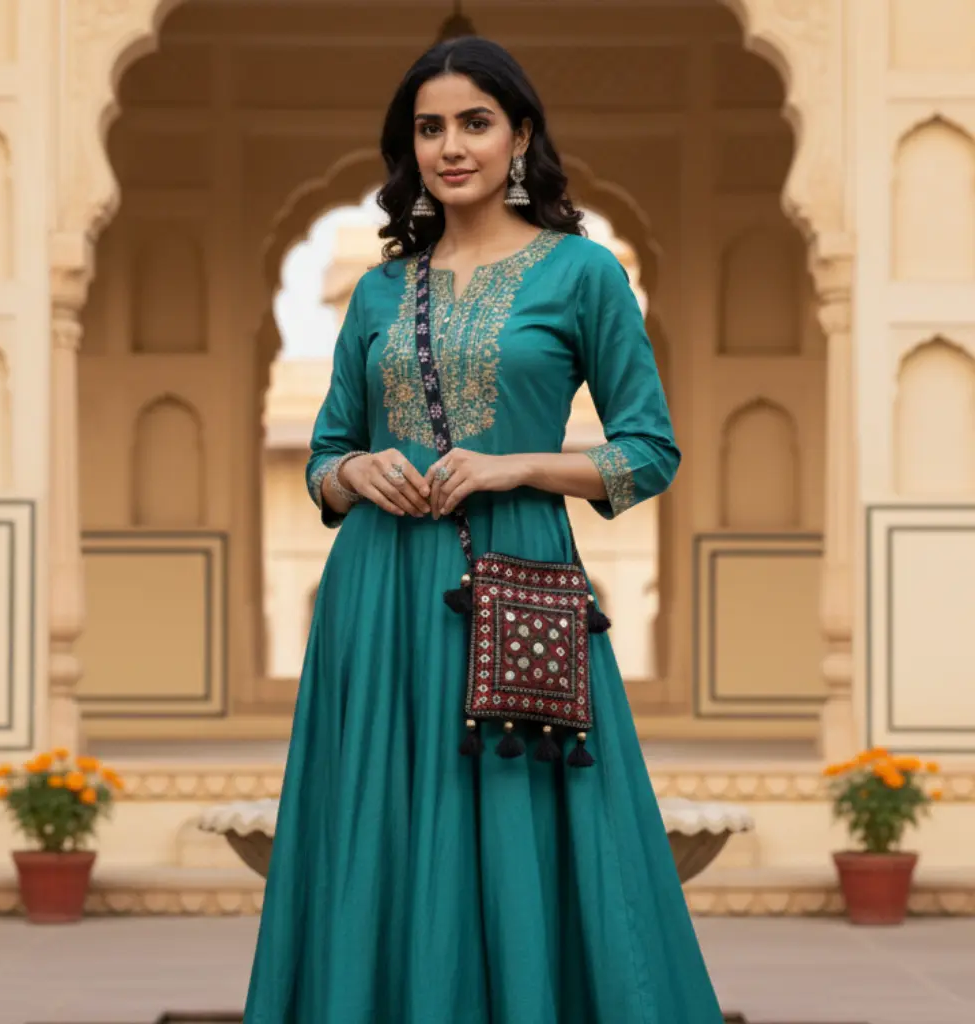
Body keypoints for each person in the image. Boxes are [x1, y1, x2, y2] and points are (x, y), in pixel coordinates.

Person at [244, 35, 725, 1024]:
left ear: (521, 136)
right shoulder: (381, 289)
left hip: (516, 584)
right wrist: (355, 471)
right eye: (430, 128)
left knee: (519, 820)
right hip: (379, 595)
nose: (451, 146)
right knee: (381, 826)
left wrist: (518, 465)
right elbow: (325, 453)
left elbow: (648, 452)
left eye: (475, 122)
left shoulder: (582, 273)